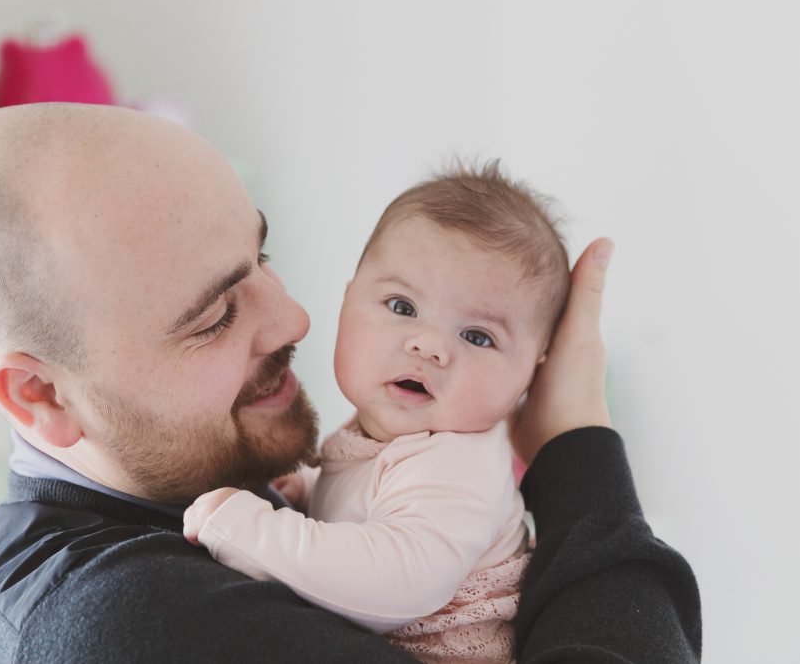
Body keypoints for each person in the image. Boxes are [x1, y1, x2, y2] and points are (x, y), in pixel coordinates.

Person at [0, 103, 702, 662]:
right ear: (40, 395)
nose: (294, 319)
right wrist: (577, 445)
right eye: (215, 313)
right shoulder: (135, 620)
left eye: (264, 255)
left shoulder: (202, 488)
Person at [182, 163, 571, 663]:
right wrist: (309, 488)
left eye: (478, 337)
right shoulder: (389, 431)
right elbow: (367, 505)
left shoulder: (459, 465)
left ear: (531, 376)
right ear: (348, 302)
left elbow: (394, 583)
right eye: (402, 306)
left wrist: (249, 528)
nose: (428, 345)